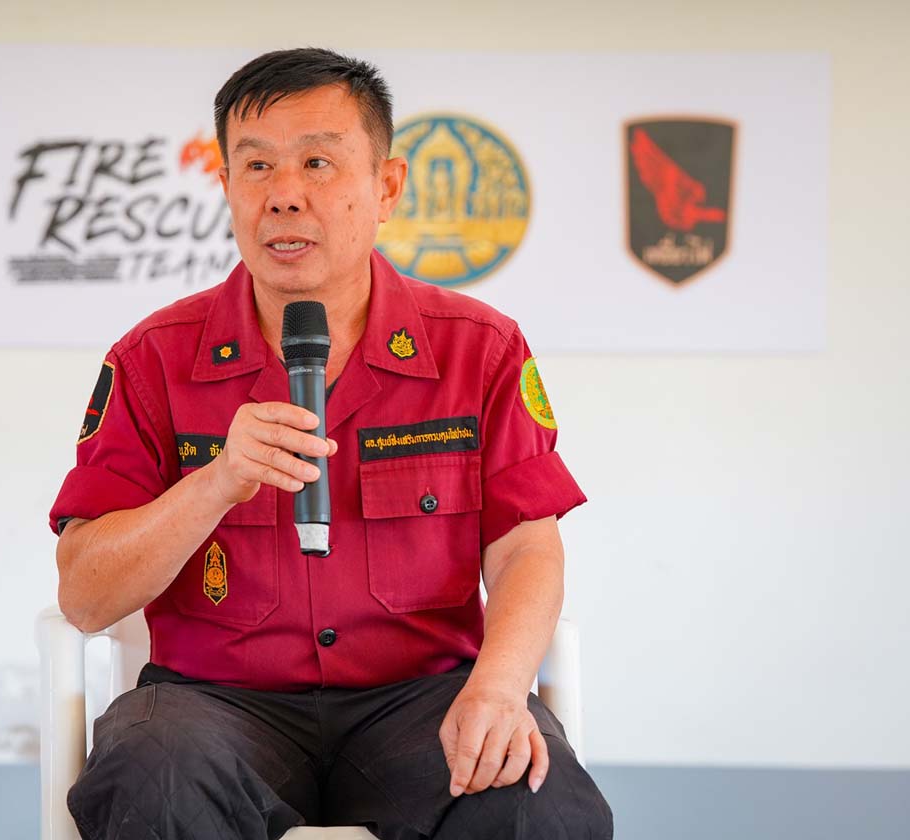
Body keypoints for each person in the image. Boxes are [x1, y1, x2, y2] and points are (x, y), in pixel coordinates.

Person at [48, 47, 613, 840]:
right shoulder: (153, 360)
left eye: (317, 162)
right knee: (153, 775)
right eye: (257, 167)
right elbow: (85, 597)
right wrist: (215, 482)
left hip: (421, 702)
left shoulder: (478, 349)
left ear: (387, 187)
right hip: (214, 708)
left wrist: (499, 687)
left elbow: (527, 547)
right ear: (227, 186)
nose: (284, 195)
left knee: (531, 800)